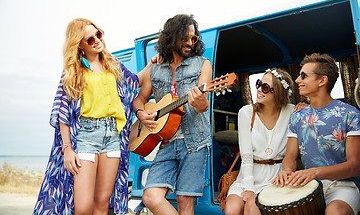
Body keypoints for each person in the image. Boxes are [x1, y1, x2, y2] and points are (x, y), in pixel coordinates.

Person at [33, 18, 157, 215]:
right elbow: (62, 112)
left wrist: (151, 64)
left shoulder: (113, 65)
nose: (97, 40)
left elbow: (135, 82)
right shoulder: (74, 71)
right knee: (82, 208)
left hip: (113, 138)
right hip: (86, 137)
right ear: (79, 45)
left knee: (102, 203)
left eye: (98, 34)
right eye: (90, 39)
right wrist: (67, 149)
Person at [132, 14, 212, 215]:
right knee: (150, 196)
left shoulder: (203, 64)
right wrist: (141, 114)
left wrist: (200, 101)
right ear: (172, 36)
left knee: (185, 201)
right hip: (166, 141)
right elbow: (138, 99)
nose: (189, 42)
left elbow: (203, 107)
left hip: (195, 141)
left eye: (193, 38)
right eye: (185, 37)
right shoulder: (156, 69)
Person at [273, 53, 360, 215]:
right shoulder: (297, 116)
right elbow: (290, 158)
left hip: (344, 186)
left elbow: (355, 166)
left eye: (303, 76)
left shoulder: (350, 114)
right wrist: (286, 171)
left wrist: (315, 172)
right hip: (308, 186)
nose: (297, 80)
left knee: (335, 212)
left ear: (322, 80)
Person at [224, 68, 295, 215]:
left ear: (279, 93)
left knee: (254, 207)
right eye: (259, 84)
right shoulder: (246, 112)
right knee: (232, 209)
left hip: (276, 176)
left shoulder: (292, 112)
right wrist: (248, 187)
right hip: (249, 174)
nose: (259, 90)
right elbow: (246, 155)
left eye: (265, 87)